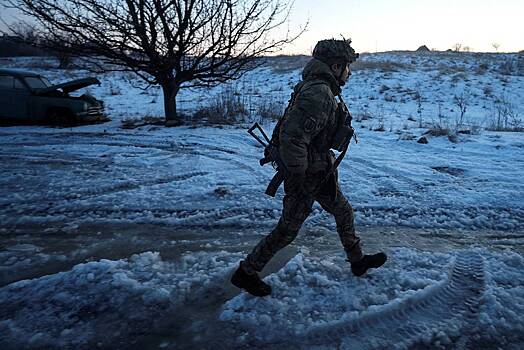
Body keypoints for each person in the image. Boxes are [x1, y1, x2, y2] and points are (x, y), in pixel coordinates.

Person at [231, 39, 387, 297]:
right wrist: (299, 173)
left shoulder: (321, 88)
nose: (349, 72)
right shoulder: (319, 93)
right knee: (288, 229)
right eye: (347, 66)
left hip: (317, 171)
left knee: (343, 211)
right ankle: (246, 272)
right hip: (306, 174)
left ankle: (357, 261)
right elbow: (293, 137)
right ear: (336, 66)